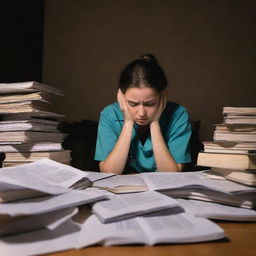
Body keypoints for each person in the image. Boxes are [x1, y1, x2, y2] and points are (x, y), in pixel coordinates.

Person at [94, 54, 192, 174]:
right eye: (133, 104)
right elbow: (109, 172)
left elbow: (171, 174)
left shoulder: (179, 115)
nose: (141, 113)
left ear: (162, 97)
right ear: (121, 96)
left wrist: (155, 123)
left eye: (150, 104)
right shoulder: (109, 114)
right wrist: (128, 123)